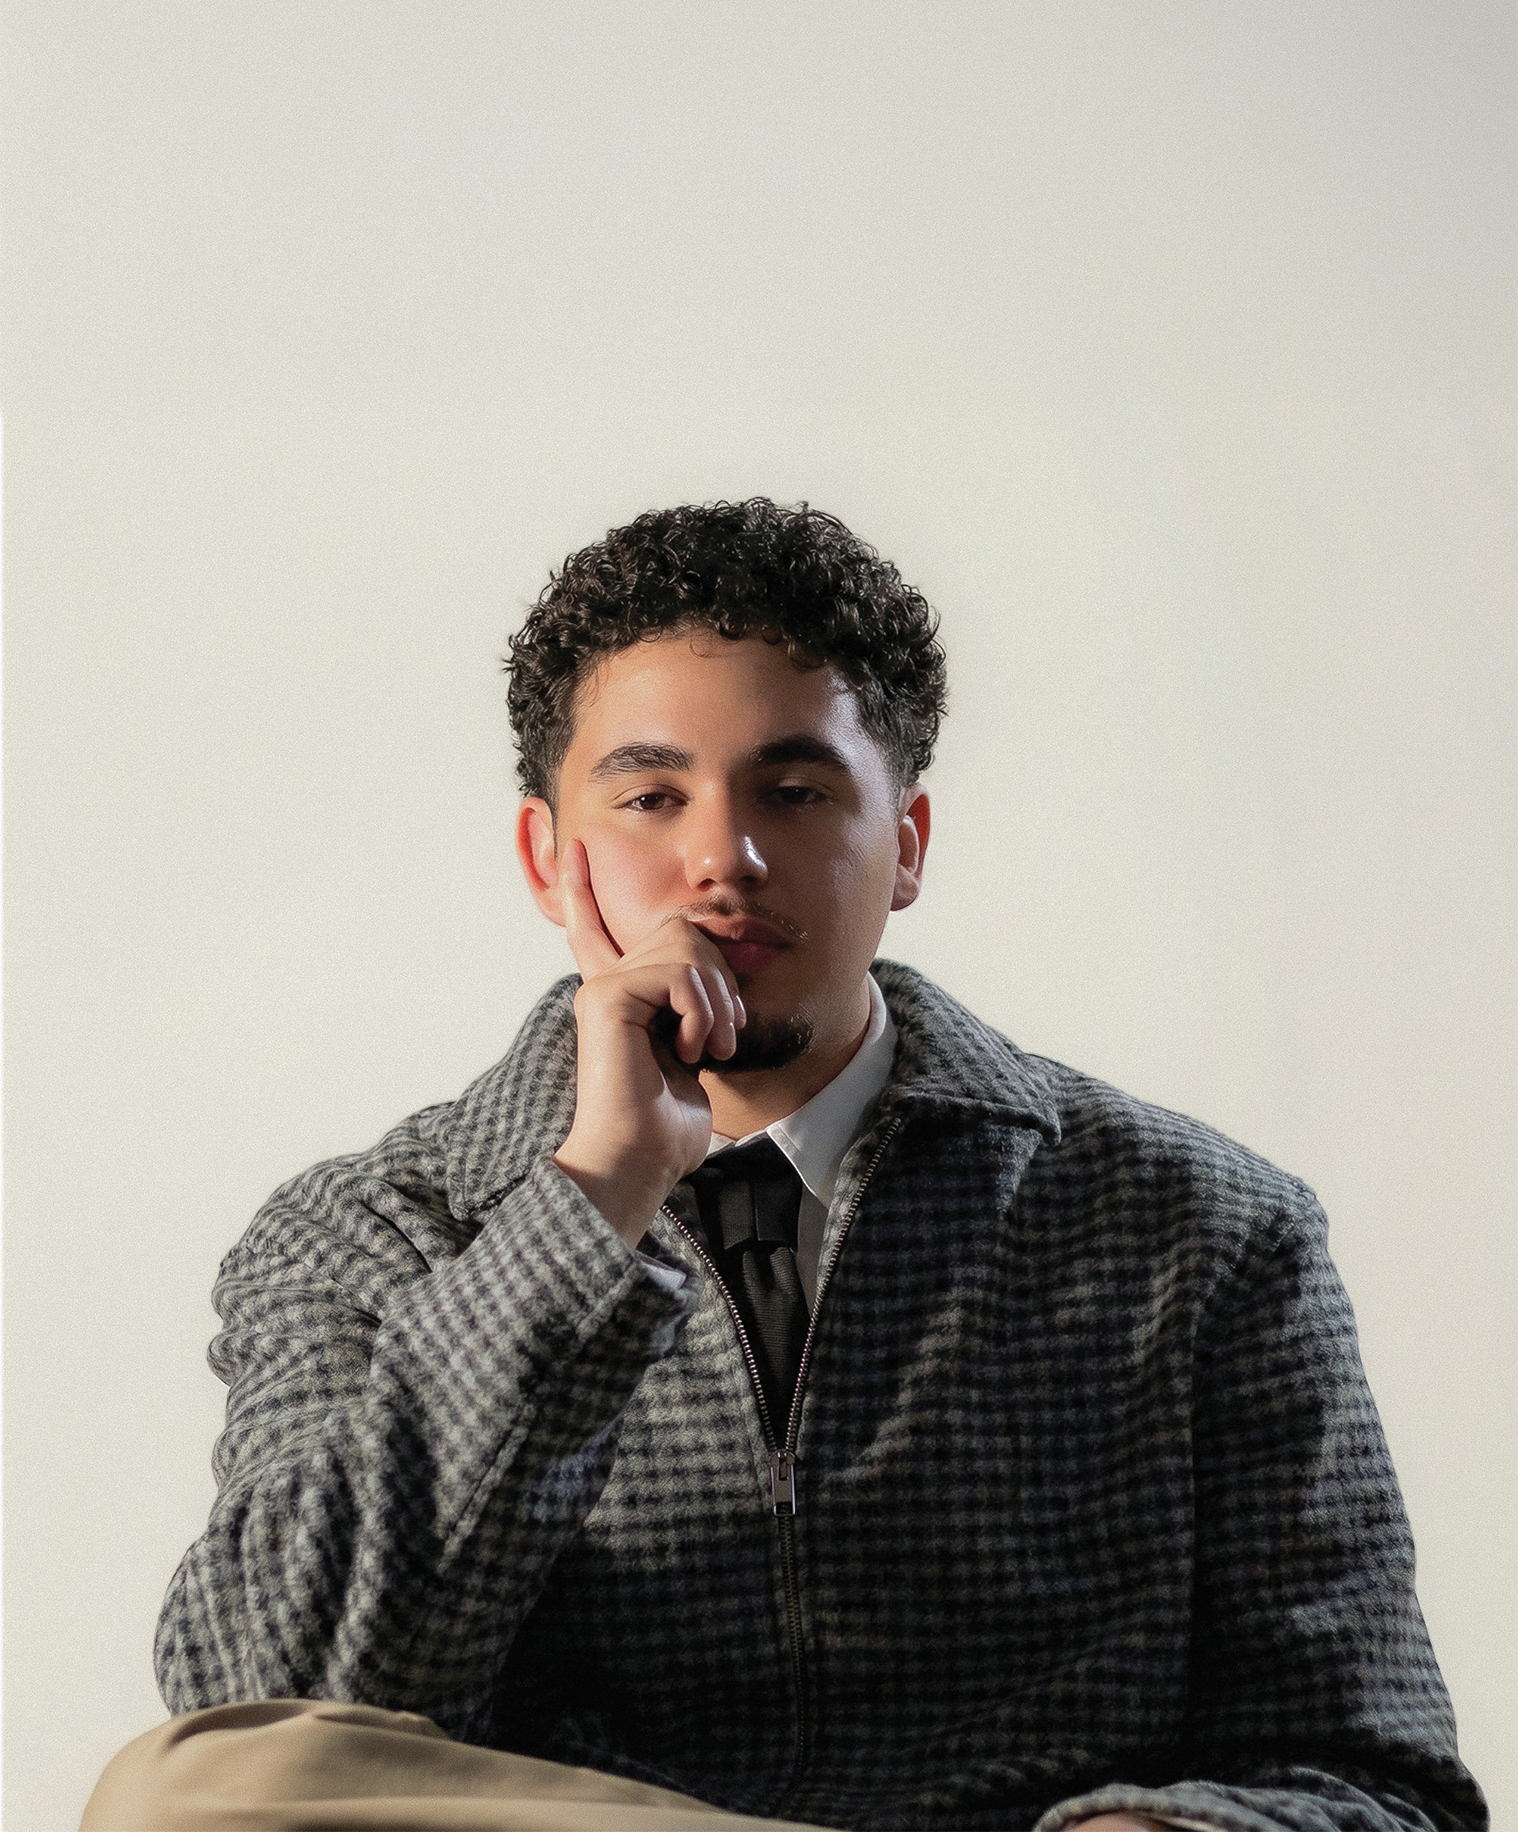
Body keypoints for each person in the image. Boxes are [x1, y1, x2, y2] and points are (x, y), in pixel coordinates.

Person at [84, 501, 1486, 1832]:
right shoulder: (367, 1230)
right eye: (650, 797)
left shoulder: (1199, 1226)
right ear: (547, 859)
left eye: (795, 790)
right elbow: (269, 1704)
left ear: (907, 844)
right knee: (183, 1793)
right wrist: (588, 1207)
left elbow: (1375, 1777)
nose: (724, 858)